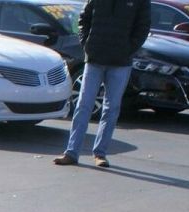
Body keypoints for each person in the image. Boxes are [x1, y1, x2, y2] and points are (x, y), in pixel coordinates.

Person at [54, 0, 150, 168]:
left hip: (120, 62)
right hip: (94, 59)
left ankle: (100, 153)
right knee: (83, 105)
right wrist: (87, 45)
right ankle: (71, 152)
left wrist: (128, 48)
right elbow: (84, 19)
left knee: (111, 108)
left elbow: (143, 26)